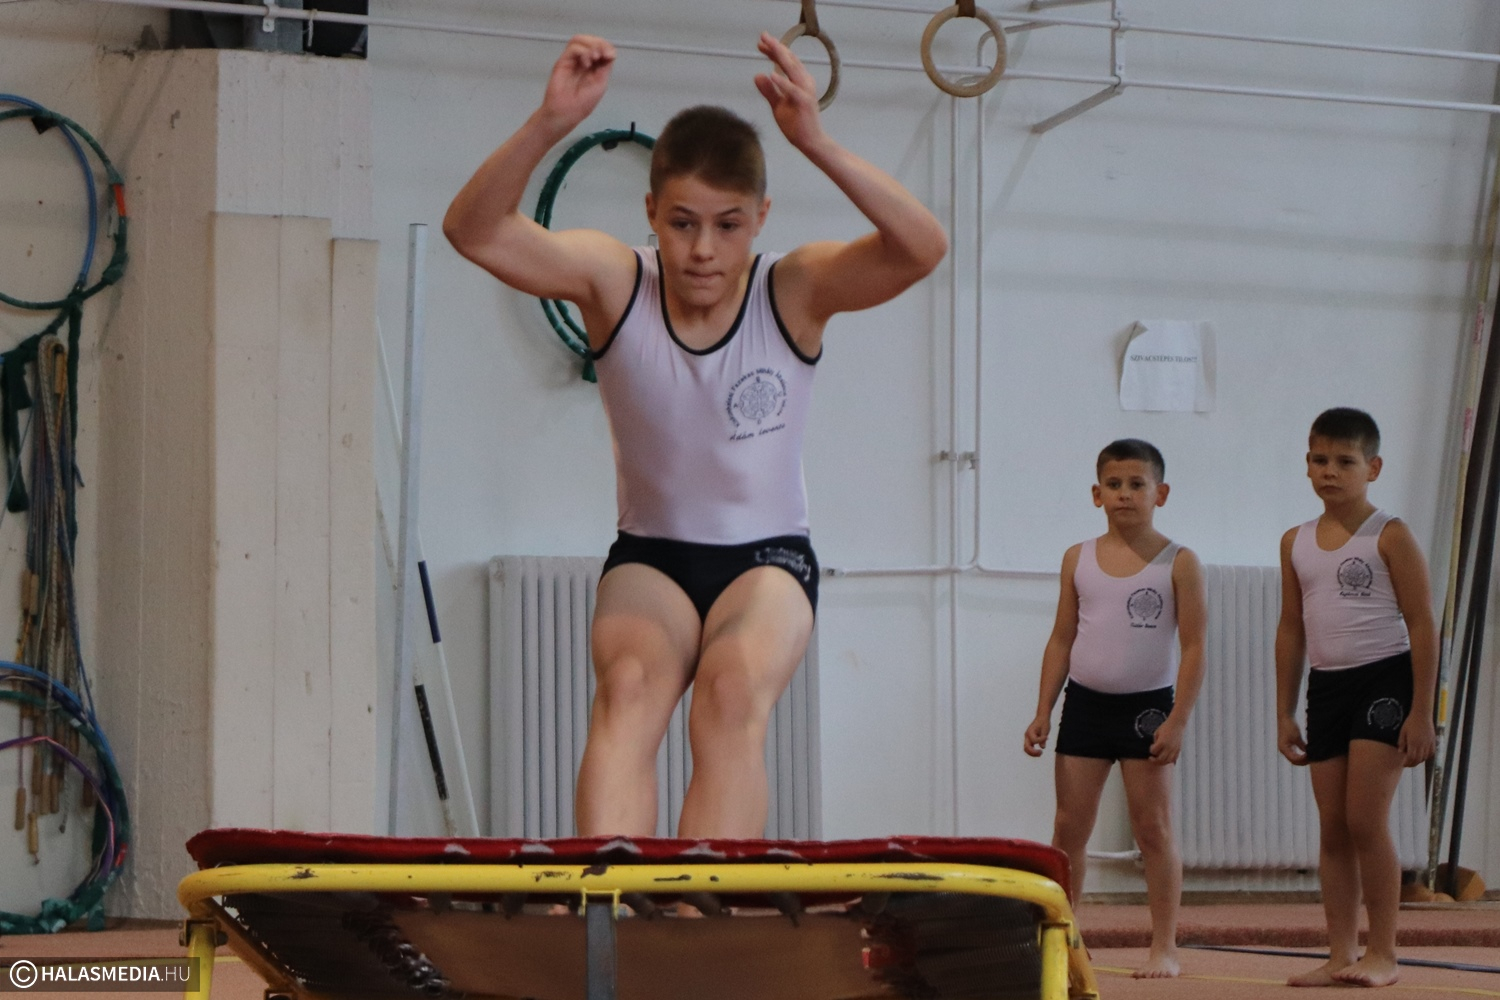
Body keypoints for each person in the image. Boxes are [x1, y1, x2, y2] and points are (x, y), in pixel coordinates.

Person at [444, 34, 947, 839]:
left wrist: (816, 142)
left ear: (761, 219)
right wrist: (548, 123)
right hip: (654, 556)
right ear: (650, 213)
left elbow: (922, 247)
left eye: (727, 225)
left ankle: (701, 903)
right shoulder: (614, 279)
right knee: (628, 688)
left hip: (768, 559)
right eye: (681, 224)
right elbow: (473, 232)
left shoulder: (793, 290)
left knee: (729, 694)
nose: (703, 251)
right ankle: (611, 903)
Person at [1024, 439, 1206, 979]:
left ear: (1160, 493)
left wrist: (1178, 720)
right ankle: (1064, 941)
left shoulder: (1180, 562)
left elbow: (1195, 647)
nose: (1125, 494)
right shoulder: (1077, 558)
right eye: (1114, 485)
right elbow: (1062, 637)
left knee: (1153, 829)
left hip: (1148, 711)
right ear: (1096, 493)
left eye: (1137, 485)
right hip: (1085, 705)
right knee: (1068, 829)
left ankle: (1164, 946)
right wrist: (1043, 709)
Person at [1275, 407, 1437, 988]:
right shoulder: (1295, 542)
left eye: (1345, 462)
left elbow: (1422, 622)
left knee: (1366, 819)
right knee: (1334, 827)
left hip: (1385, 681)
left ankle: (1384, 953)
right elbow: (1291, 627)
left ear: (1373, 467)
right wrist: (1283, 711)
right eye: (1320, 460)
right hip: (1328, 686)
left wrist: (1423, 712)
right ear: (1307, 464)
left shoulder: (1390, 534)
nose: (1330, 472)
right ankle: (1341, 952)